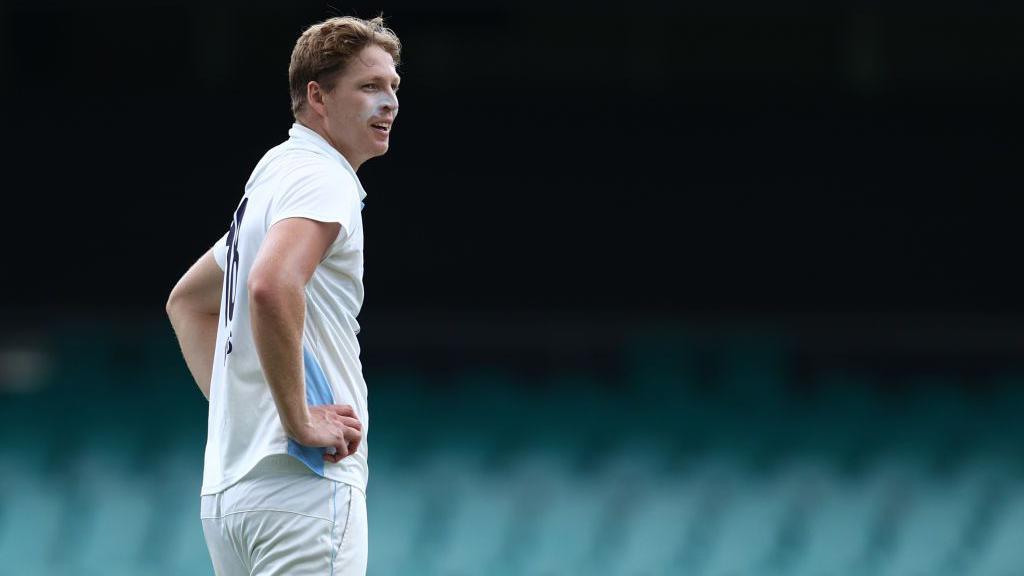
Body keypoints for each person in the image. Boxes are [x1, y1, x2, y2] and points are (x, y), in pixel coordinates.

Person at [165, 15, 401, 575]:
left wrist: (248, 407)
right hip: (304, 485)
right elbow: (271, 283)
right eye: (370, 87)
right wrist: (296, 419)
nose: (389, 102)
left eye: (394, 87)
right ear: (317, 97)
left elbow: (187, 302)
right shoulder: (324, 177)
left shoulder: (273, 176)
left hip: (231, 496)